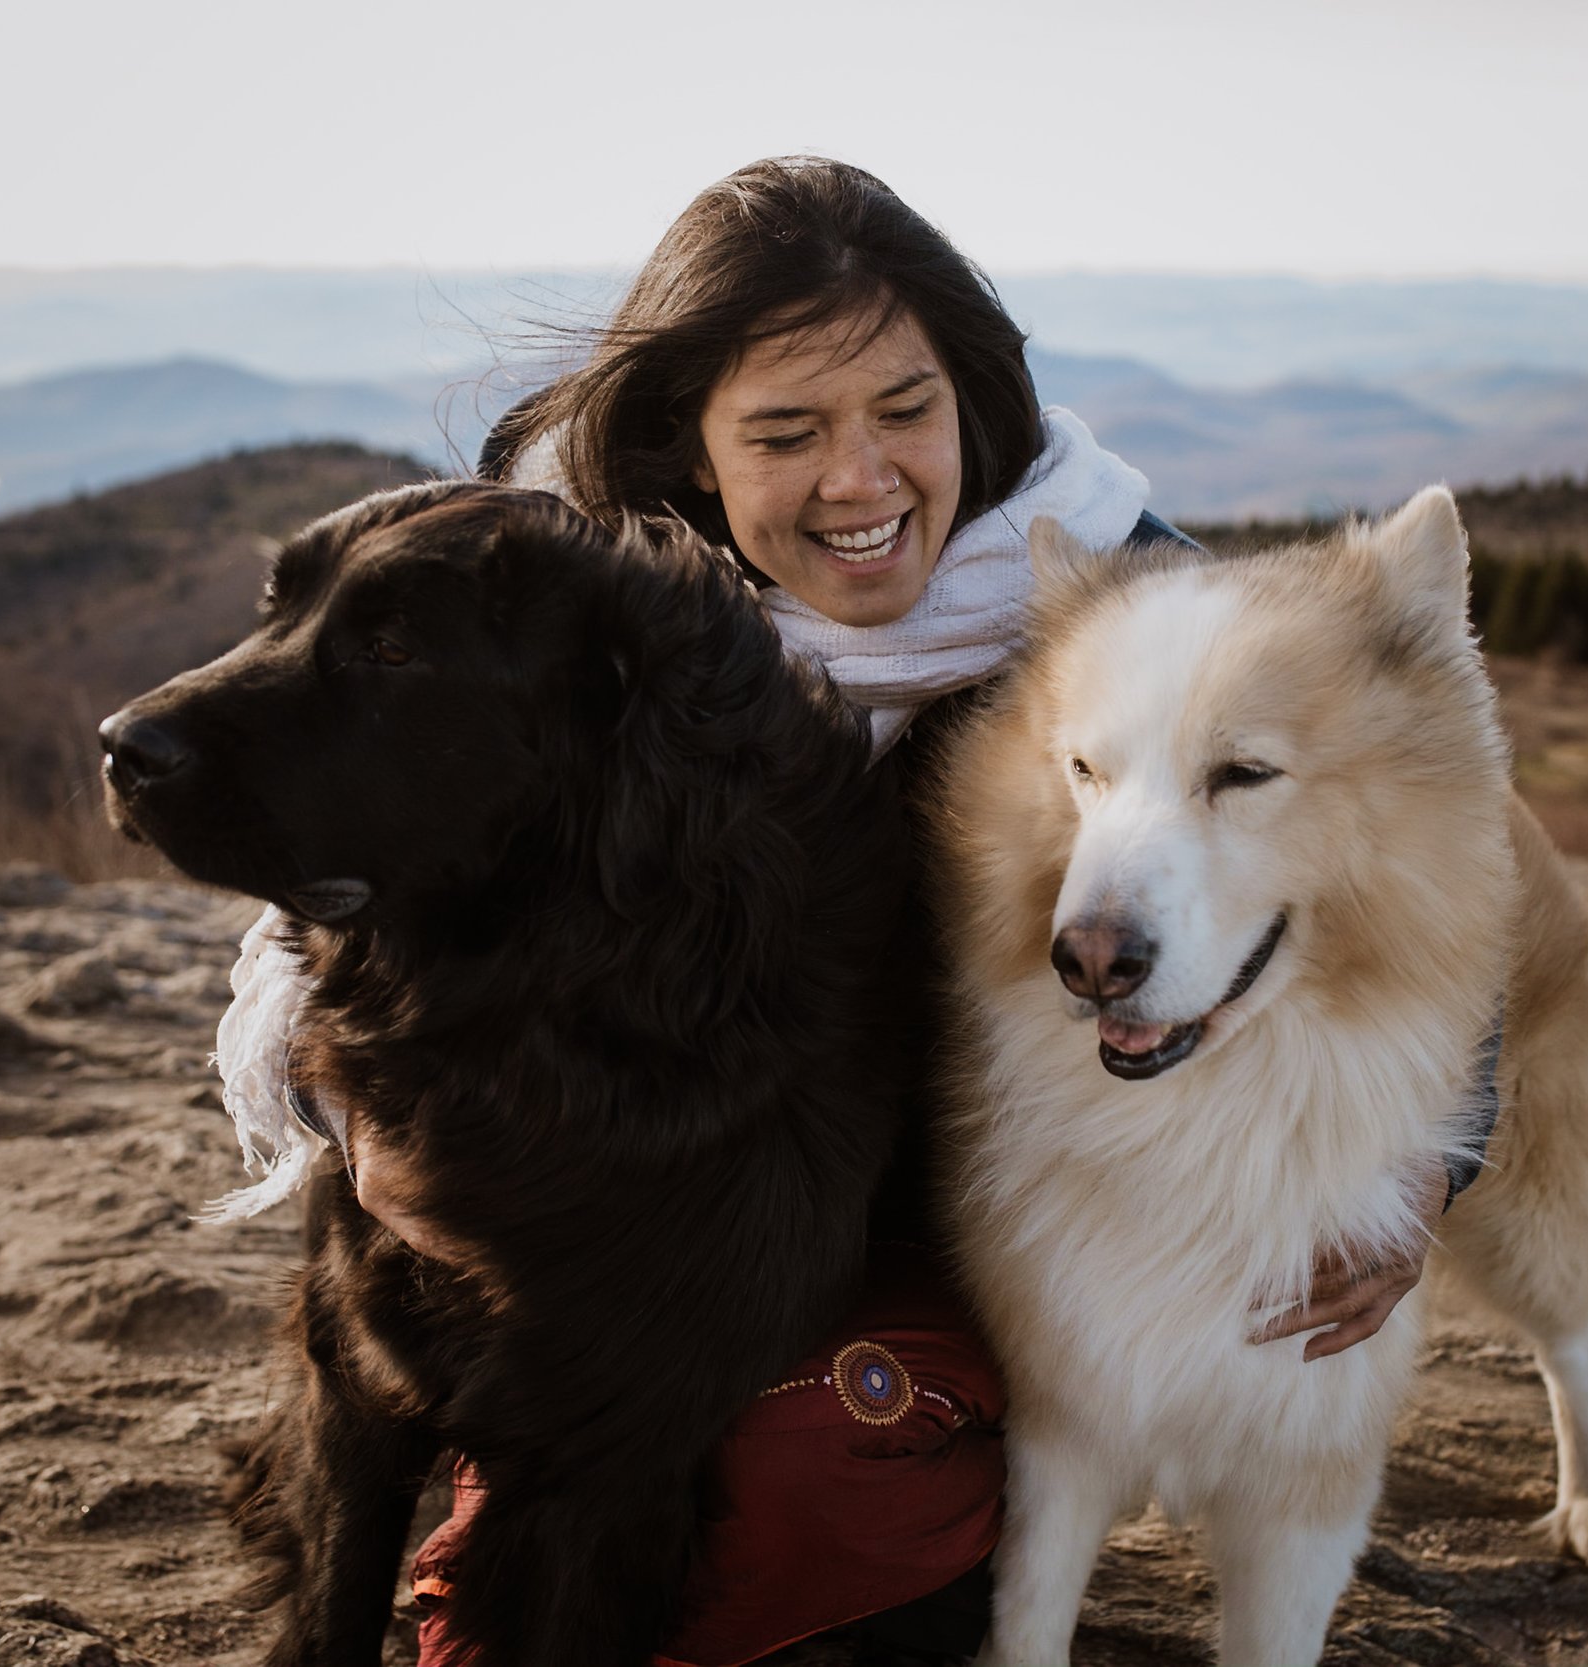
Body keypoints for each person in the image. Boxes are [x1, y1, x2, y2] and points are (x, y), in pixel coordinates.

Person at [213, 156, 1463, 1667]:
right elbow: (353, 918)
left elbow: (1412, 848)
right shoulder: (562, 617)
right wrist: (362, 1132)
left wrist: (1429, 1165)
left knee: (819, 1483)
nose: (861, 479)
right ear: (694, 451)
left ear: (974, 400)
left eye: (905, 412)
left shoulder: (1130, 604)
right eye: (788, 433)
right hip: (605, 1218)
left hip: (947, 1217)